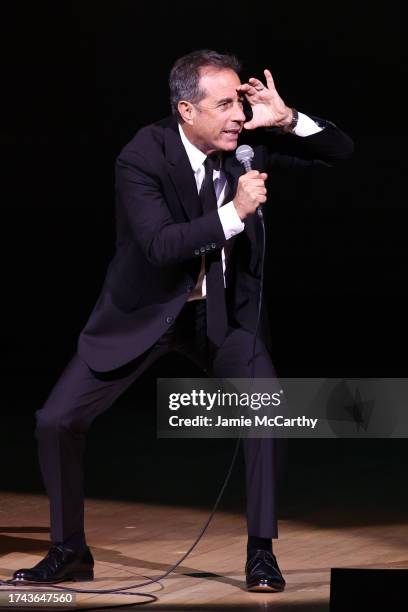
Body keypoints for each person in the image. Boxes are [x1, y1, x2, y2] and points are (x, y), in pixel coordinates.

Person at [12, 49, 353, 592]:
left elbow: (341, 151)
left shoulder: (247, 142)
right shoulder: (142, 155)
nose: (238, 116)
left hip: (219, 316)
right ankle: (69, 548)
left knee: (266, 410)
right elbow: (158, 245)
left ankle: (261, 551)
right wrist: (234, 213)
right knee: (56, 420)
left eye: (240, 102)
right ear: (186, 111)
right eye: (224, 105)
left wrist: (286, 119)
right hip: (144, 312)